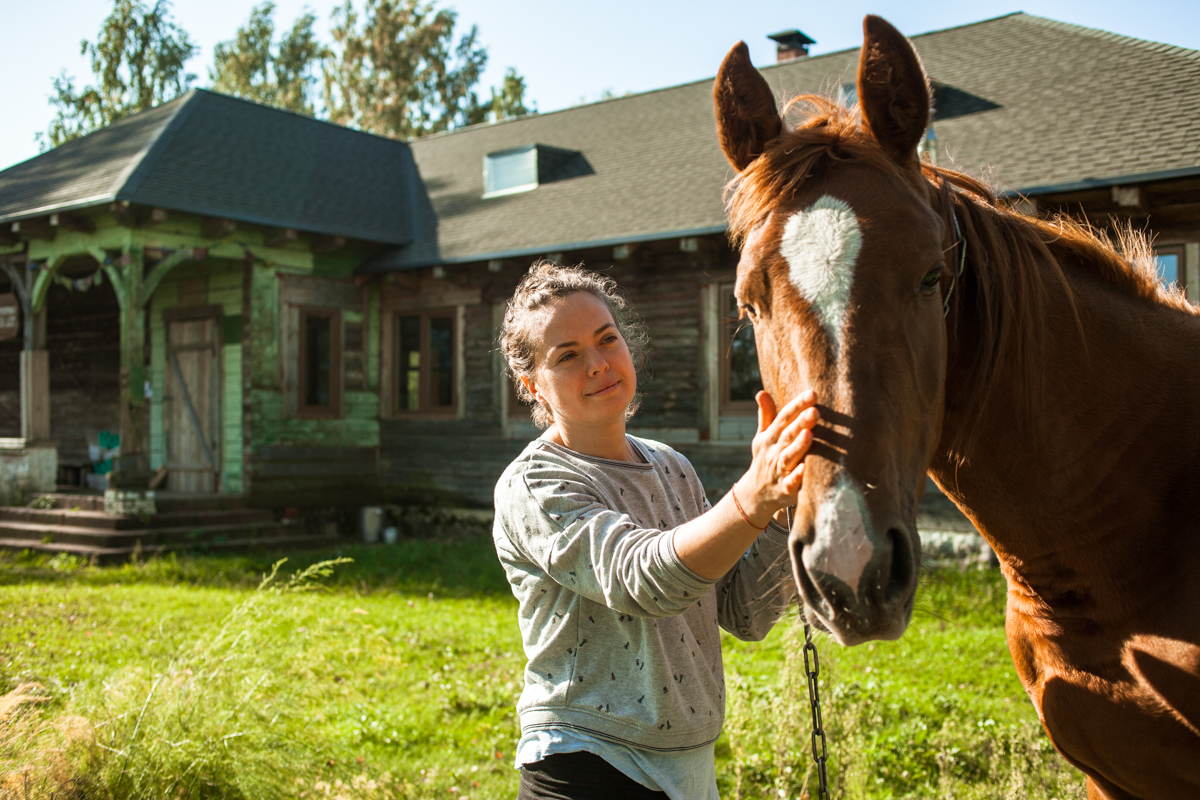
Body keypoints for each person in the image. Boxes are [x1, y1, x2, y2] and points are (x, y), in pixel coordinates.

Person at [493, 262, 819, 800]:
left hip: (690, 763)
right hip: (588, 764)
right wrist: (752, 496)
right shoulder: (534, 483)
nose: (597, 364)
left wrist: (782, 505)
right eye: (568, 355)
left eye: (607, 340)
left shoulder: (671, 466)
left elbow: (743, 612)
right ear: (533, 385)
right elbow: (643, 581)